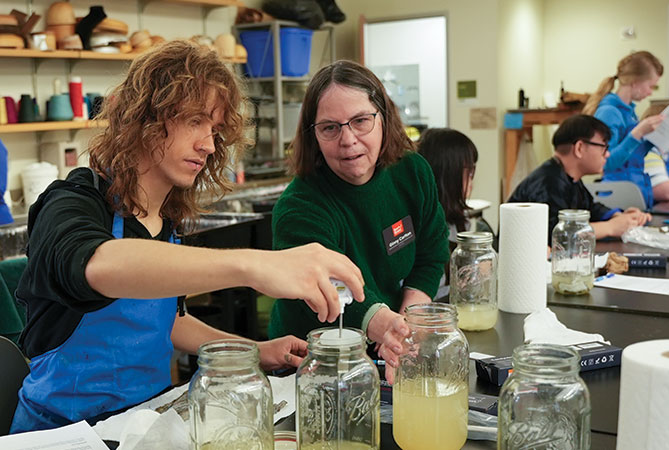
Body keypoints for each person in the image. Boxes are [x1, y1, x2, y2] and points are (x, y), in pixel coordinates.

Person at [10, 41, 365, 433]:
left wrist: (251, 351)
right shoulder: (73, 202)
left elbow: (167, 320)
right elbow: (95, 265)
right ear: (145, 116)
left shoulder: (167, 219)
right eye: (195, 121)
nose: (209, 144)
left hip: (143, 423)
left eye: (214, 130)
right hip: (60, 432)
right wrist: (254, 265)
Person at [267, 60, 450, 370]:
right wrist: (388, 328)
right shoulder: (299, 207)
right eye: (330, 128)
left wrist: (406, 328)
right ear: (313, 136)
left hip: (384, 346)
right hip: (311, 364)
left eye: (361, 121)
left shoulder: (412, 173)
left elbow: (431, 255)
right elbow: (331, 291)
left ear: (384, 119)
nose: (348, 139)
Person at [507, 114, 651, 240]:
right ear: (579, 148)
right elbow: (557, 234)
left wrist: (619, 217)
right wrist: (610, 227)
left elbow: (591, 209)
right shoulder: (549, 183)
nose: (607, 154)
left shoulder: (570, 178)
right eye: (604, 147)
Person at [583, 51, 665, 209]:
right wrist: (637, 133)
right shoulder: (609, 112)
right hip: (618, 194)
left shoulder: (629, 112)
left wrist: (655, 139)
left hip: (634, 188)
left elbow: (632, 154)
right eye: (650, 86)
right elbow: (606, 162)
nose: (650, 92)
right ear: (635, 82)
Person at [416, 128, 478, 241]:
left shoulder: (458, 221)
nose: (472, 180)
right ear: (449, 174)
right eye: (468, 172)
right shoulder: (421, 228)